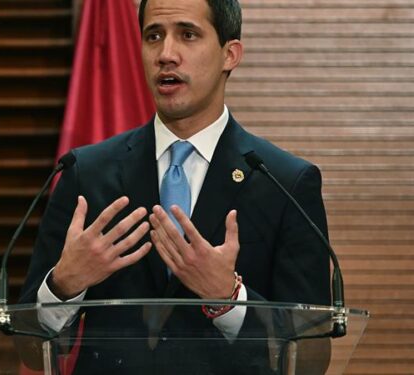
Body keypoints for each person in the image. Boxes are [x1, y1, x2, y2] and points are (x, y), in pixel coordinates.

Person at [19, 0, 331, 373]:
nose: (166, 54)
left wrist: (228, 298)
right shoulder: (84, 173)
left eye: (187, 34)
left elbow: (311, 358)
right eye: (154, 36)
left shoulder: (284, 183)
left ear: (229, 54)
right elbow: (28, 347)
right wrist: (63, 286)